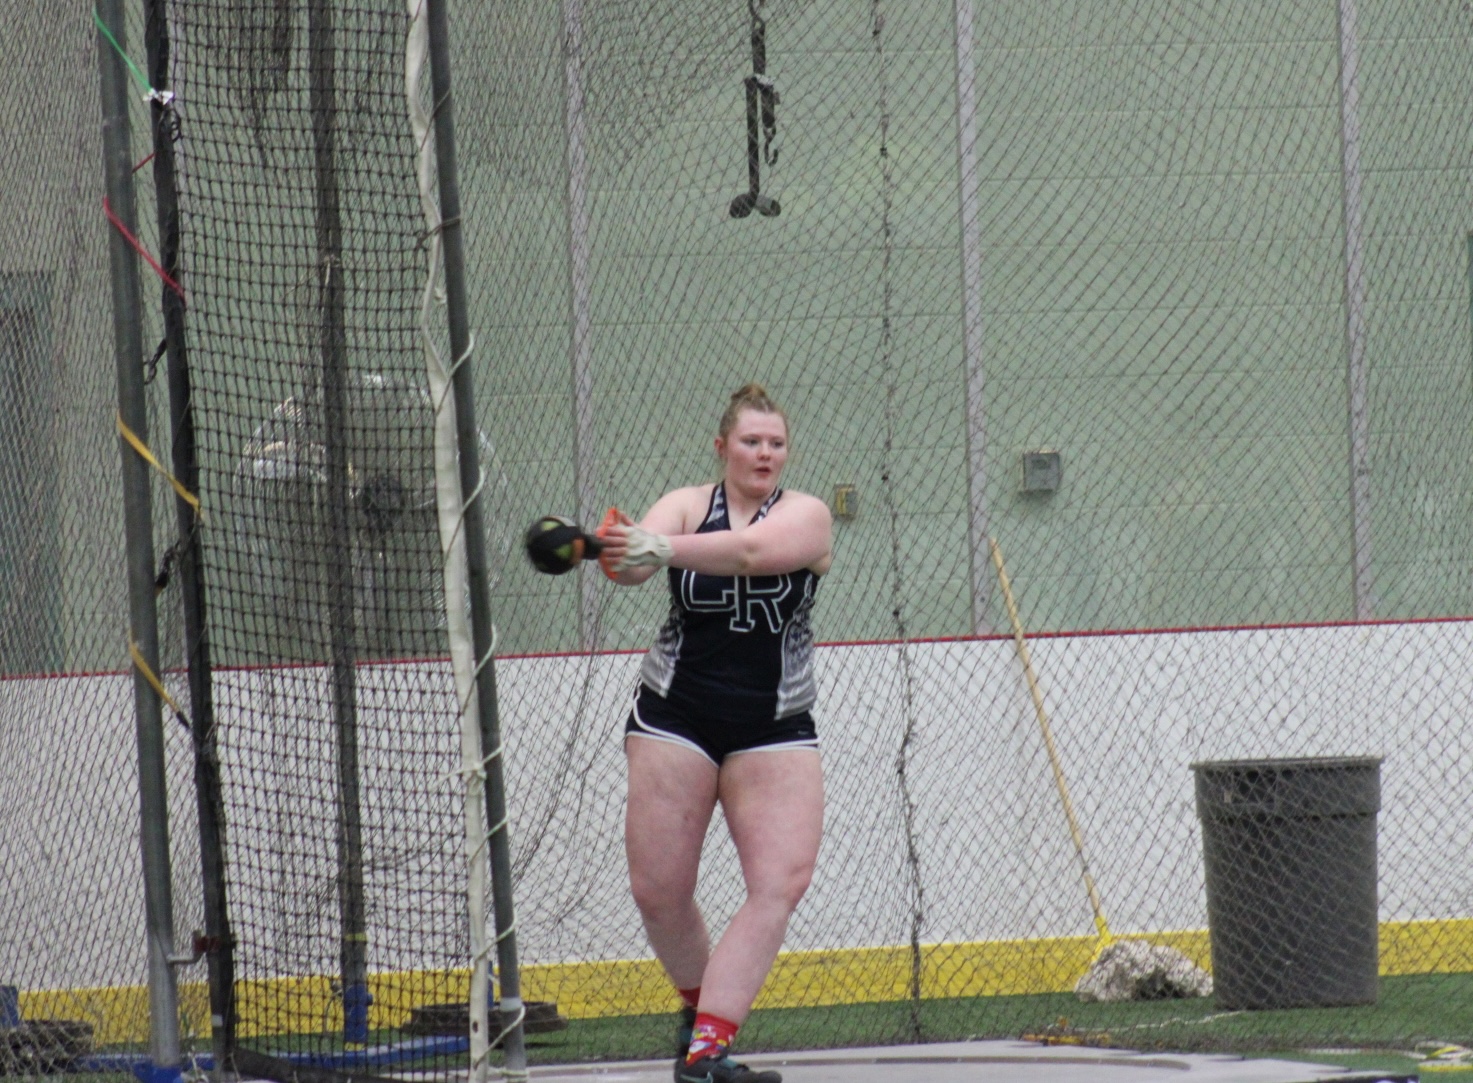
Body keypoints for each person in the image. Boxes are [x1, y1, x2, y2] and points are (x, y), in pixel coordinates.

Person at [599, 383, 832, 1083]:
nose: (764, 453)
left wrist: (660, 545)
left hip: (773, 720)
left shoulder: (807, 515)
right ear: (722, 447)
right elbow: (635, 570)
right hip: (677, 710)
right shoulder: (684, 502)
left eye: (776, 442)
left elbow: (751, 554)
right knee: (658, 889)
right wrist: (623, 549)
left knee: (780, 881)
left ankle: (705, 1053)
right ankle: (700, 1017)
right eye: (750, 441)